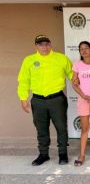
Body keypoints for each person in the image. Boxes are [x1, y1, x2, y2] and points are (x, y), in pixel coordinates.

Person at [17, 35, 72, 166]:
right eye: (41, 44)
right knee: (41, 129)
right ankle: (43, 154)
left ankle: (63, 154)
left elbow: (72, 75)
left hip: (57, 99)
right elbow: (24, 81)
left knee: (61, 128)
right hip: (38, 100)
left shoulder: (61, 58)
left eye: (46, 44)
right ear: (36, 46)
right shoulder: (29, 60)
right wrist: (23, 99)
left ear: (50, 44)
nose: (44, 47)